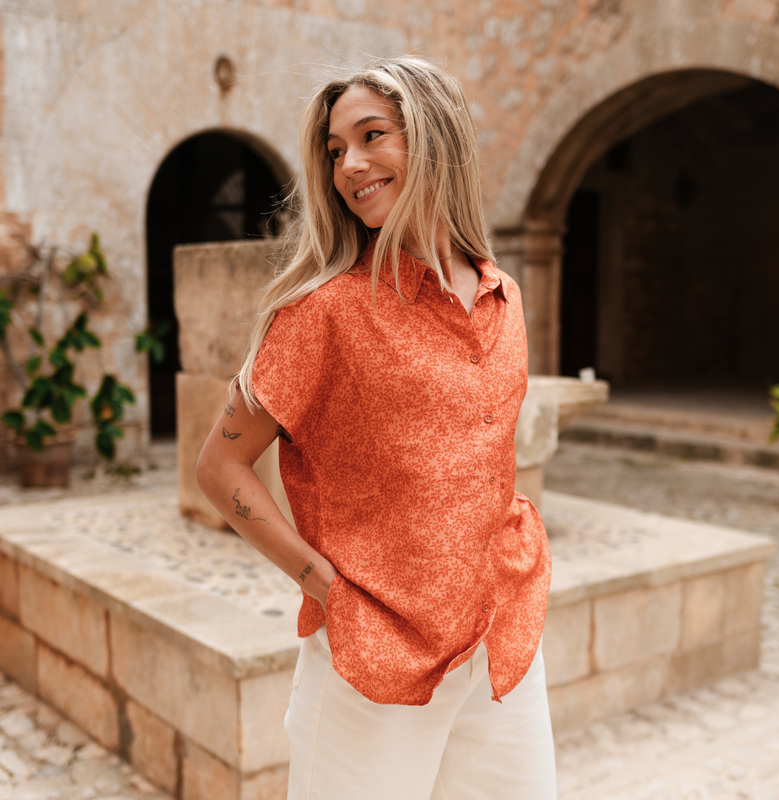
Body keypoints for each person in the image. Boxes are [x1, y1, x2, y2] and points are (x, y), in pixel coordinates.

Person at [196, 56, 556, 800]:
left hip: (502, 638)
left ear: (435, 136)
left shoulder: (504, 296)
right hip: (373, 660)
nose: (349, 166)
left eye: (372, 136)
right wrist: (322, 585)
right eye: (336, 150)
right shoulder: (323, 312)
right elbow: (219, 467)